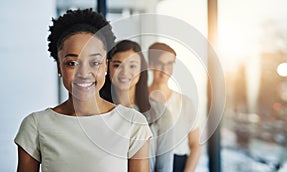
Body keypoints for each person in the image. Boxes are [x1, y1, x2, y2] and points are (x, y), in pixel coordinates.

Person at [14, 9, 152, 172]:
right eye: (72, 63)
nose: (84, 73)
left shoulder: (133, 123)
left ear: (106, 66)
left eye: (94, 62)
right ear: (59, 67)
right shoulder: (36, 125)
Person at [100, 40, 174, 172]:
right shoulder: (96, 112)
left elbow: (164, 167)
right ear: (107, 68)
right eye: (117, 65)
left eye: (132, 66)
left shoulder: (160, 113)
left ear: (142, 70)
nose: (124, 72)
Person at [148, 42, 201, 172]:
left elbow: (195, 145)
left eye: (169, 64)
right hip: (148, 163)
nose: (165, 70)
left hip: (179, 164)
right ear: (150, 64)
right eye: (160, 63)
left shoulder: (185, 103)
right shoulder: (139, 101)